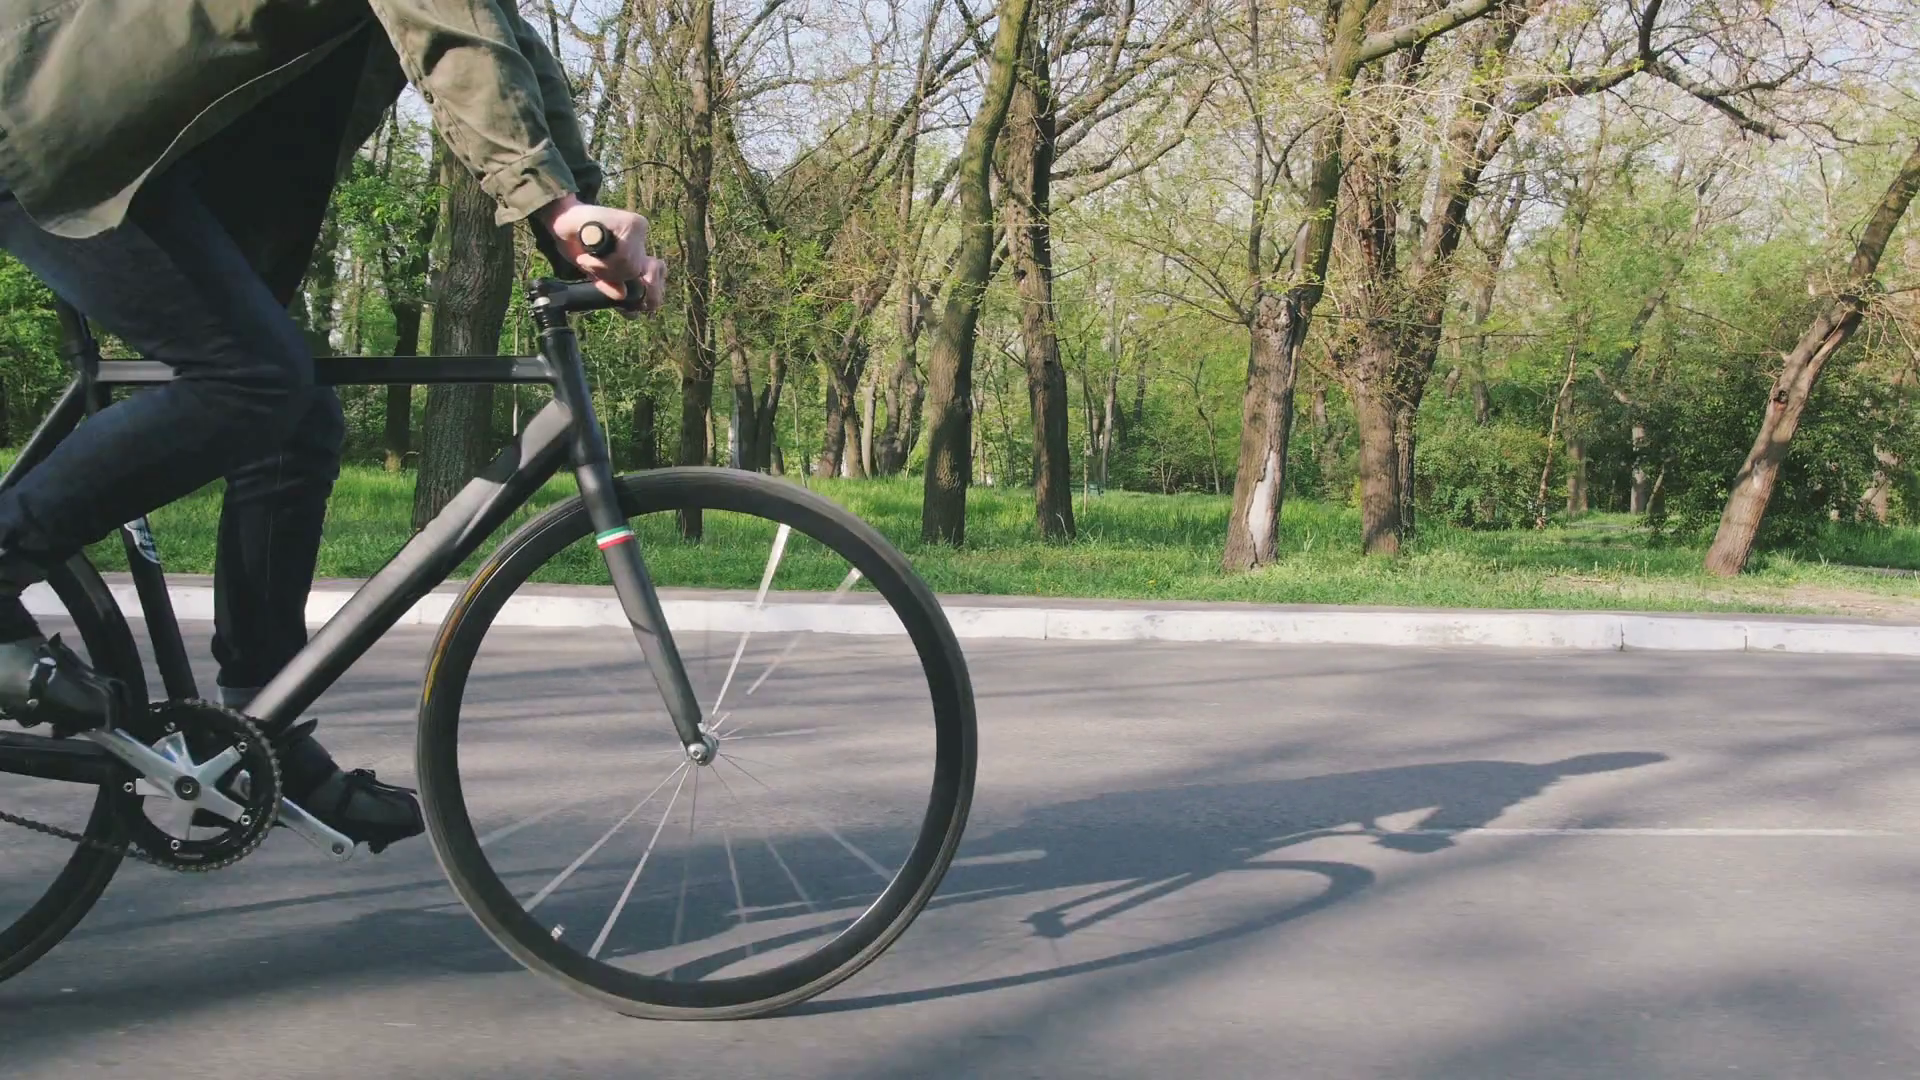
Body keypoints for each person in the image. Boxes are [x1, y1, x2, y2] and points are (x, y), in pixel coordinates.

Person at [0, 2, 667, 852]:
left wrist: (579, 219)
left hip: (146, 146)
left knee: (298, 413)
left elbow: (503, 39)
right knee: (253, 380)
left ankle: (258, 728)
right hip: (54, 120)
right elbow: (451, 32)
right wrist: (556, 206)